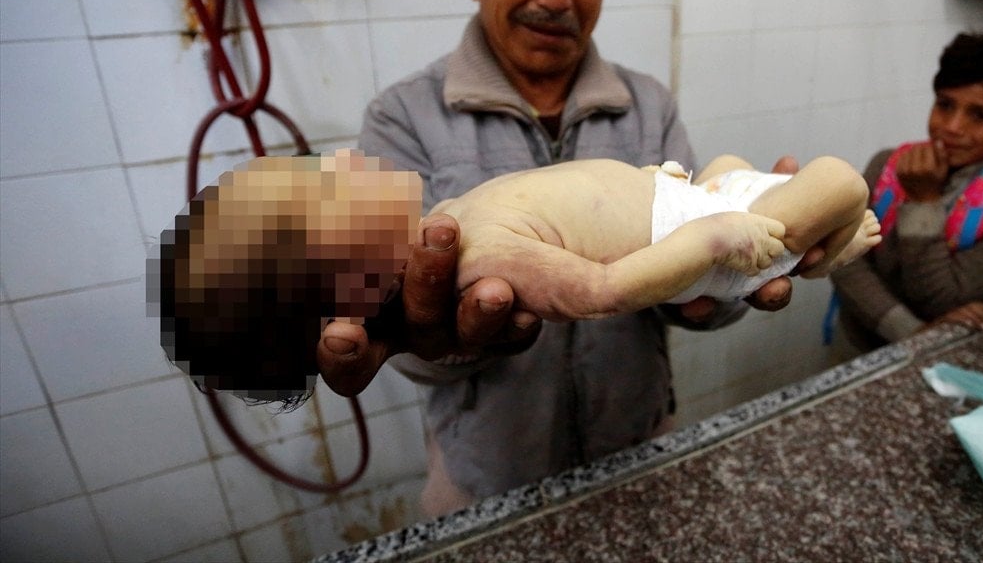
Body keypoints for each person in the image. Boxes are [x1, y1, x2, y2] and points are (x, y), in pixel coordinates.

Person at [315, 0, 807, 516]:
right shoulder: (403, 118)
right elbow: (402, 328)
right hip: (488, 477)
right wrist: (439, 337)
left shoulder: (648, 106)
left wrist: (732, 277)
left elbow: (702, 264)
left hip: (639, 451)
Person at [153, 149, 879, 400]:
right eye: (322, 191)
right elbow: (603, 292)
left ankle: (818, 239)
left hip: (700, 203)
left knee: (731, 166)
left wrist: (673, 197)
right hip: (716, 240)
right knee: (841, 180)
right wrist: (712, 240)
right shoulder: (475, 257)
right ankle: (838, 246)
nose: (343, 160)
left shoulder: (447, 220)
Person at [828, 26, 983, 355]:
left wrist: (923, 203)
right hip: (861, 337)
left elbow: (941, 300)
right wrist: (912, 332)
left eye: (980, 115)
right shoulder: (887, 166)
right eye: (945, 105)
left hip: (944, 356)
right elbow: (842, 255)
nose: (952, 127)